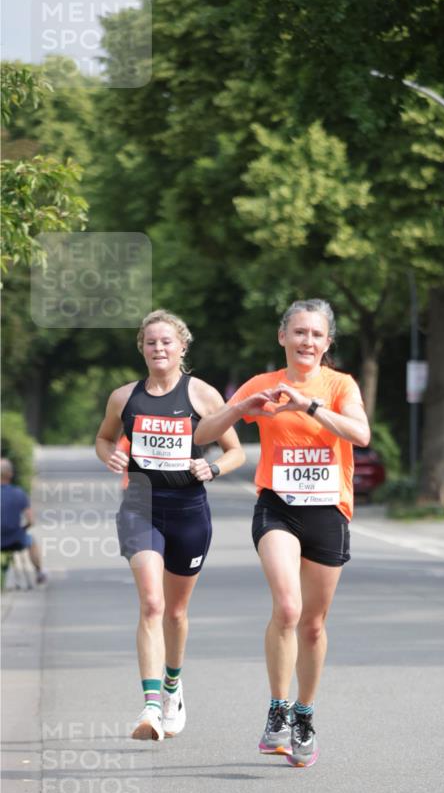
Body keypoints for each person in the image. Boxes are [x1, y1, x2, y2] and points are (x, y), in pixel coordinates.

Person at [195, 299, 370, 768]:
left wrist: (310, 405)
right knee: (288, 608)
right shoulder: (263, 384)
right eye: (298, 332)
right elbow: (202, 433)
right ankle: (278, 707)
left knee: (313, 623)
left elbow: (360, 434)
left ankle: (305, 715)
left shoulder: (339, 385)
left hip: (328, 510)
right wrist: (242, 409)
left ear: (327, 343)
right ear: (282, 337)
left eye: (316, 334)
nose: (306, 341)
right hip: (278, 507)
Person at [95, 310, 245, 741]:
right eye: (150, 342)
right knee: (152, 604)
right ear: (141, 348)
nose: (158, 349)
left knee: (176, 612)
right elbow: (104, 437)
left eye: (166, 342)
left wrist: (212, 468)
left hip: (188, 511)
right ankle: (150, 706)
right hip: (140, 505)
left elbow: (235, 451)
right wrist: (109, 454)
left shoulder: (202, 395)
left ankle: (173, 686)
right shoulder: (124, 398)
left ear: (182, 347)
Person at [1, 458, 47, 583]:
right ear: (10, 474)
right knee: (31, 541)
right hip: (14, 539)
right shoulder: (19, 493)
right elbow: (31, 520)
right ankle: (39, 573)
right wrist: (22, 530)